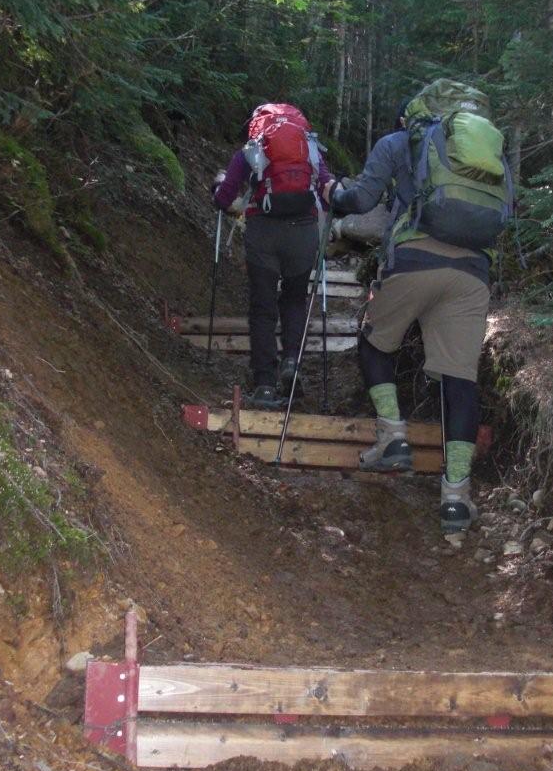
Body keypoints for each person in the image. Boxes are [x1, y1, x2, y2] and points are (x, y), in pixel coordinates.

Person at [327, 86, 508, 534]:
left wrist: (333, 193)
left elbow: (362, 200)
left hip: (414, 260)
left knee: (374, 343)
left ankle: (393, 438)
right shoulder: (488, 154)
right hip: (472, 272)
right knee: (460, 380)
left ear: (412, 113)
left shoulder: (399, 141)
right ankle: (456, 499)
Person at [213, 104, 335, 409]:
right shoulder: (310, 149)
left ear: (257, 125)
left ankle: (265, 384)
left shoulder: (251, 150)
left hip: (263, 234)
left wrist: (218, 187)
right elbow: (326, 191)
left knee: (263, 308)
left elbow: (224, 198)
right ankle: (291, 362)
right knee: (294, 300)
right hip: (303, 234)